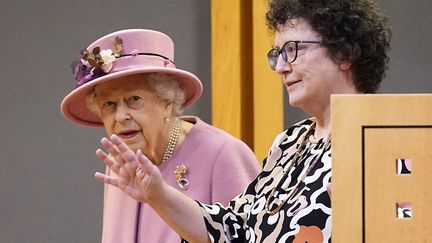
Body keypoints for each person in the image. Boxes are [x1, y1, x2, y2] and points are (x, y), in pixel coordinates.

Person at [93, 0, 392, 242]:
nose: (281, 68)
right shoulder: (290, 143)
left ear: (343, 52)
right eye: (277, 54)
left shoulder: (386, 137)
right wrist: (159, 196)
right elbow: (234, 229)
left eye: (292, 50)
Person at [60, 29, 260, 242]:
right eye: (109, 104)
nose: (120, 116)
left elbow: (252, 237)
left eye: (134, 99)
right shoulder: (119, 161)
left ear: (167, 100)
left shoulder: (224, 155)